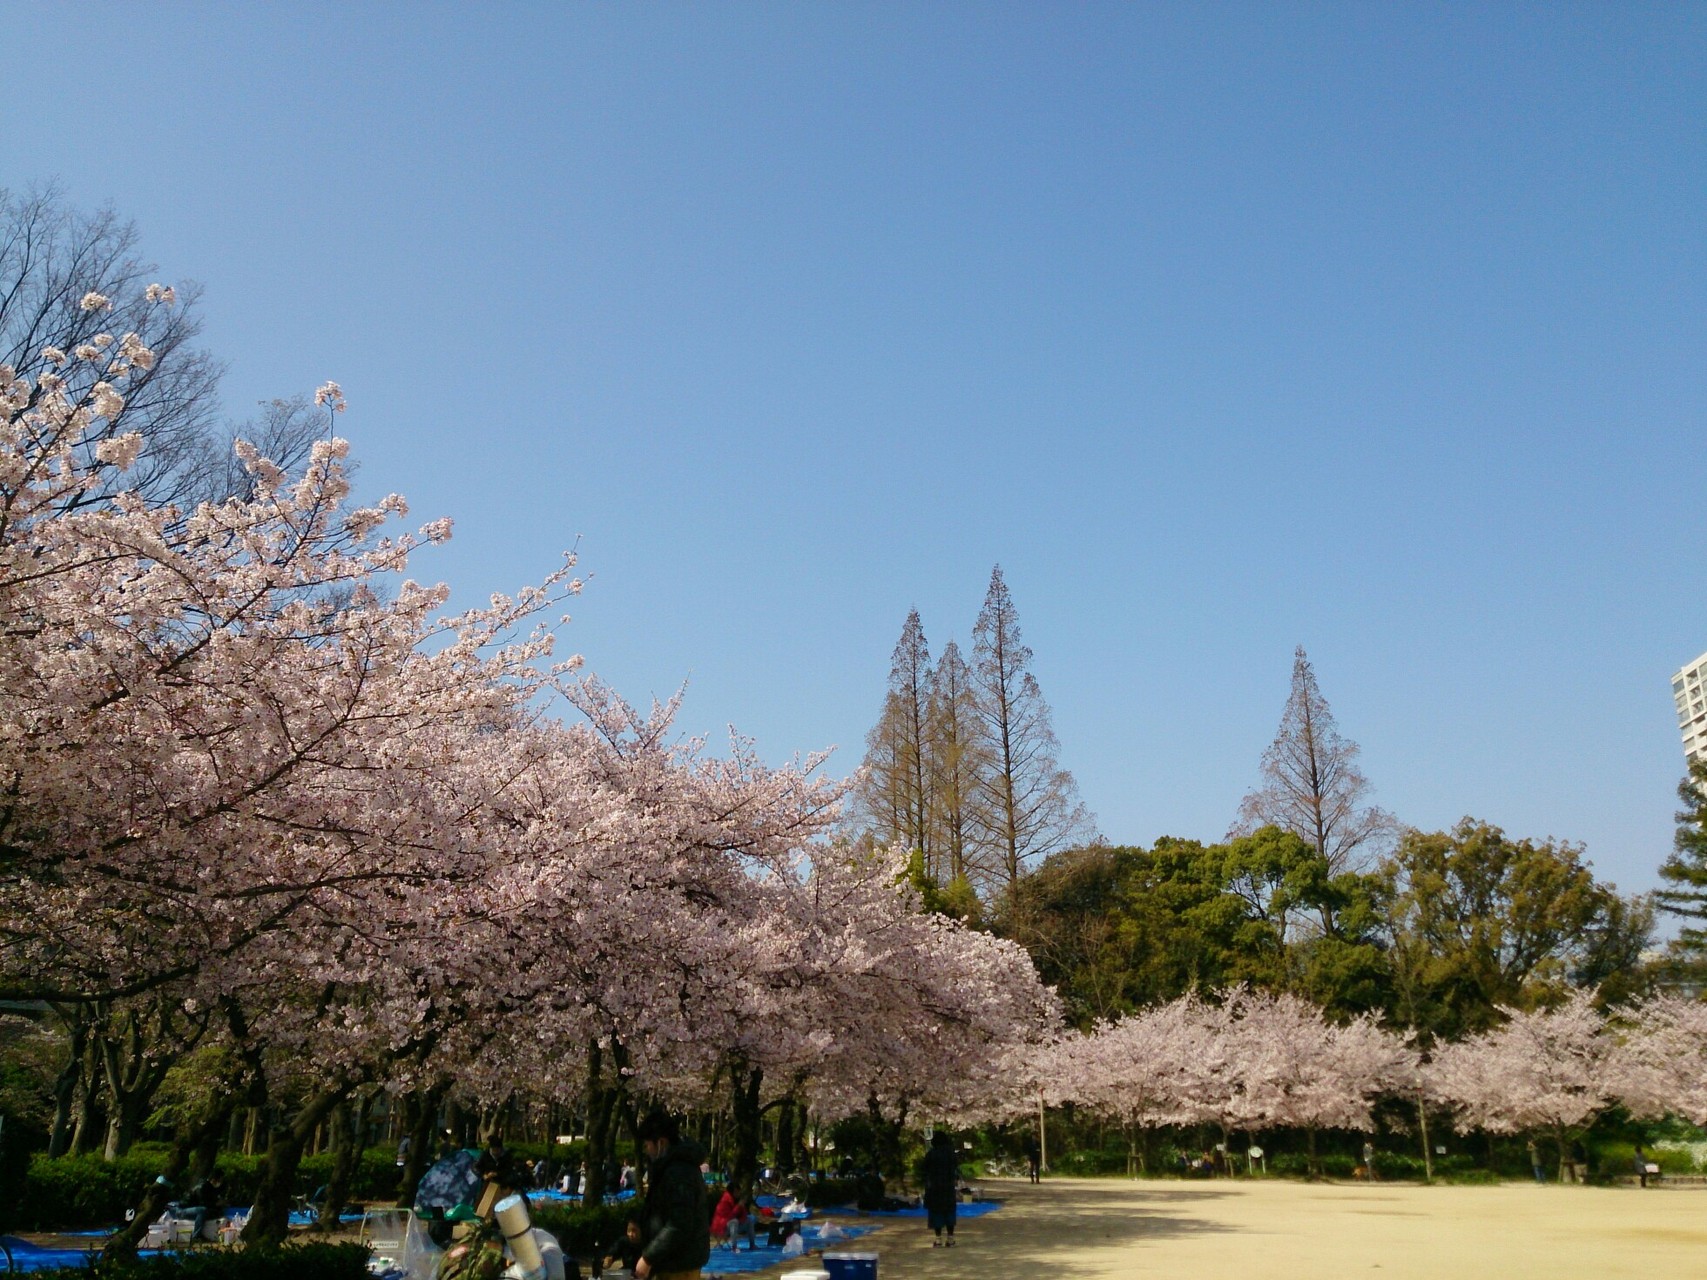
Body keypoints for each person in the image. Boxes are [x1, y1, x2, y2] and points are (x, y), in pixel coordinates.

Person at [634, 1108, 710, 1280]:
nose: (646, 1151)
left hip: (679, 1265)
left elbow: (679, 1223)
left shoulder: (678, 1173)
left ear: (661, 1142)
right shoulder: (673, 1168)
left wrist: (648, 1257)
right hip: (674, 1263)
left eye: (647, 1145)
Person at [921, 1130, 960, 1248]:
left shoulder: (931, 1154)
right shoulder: (951, 1154)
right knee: (949, 1212)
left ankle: (938, 1239)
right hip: (948, 1187)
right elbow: (955, 1169)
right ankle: (950, 1238)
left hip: (934, 1188)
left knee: (936, 1213)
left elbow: (925, 1170)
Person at [182, 1171, 225, 1241]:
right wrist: (216, 1204)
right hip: (185, 1209)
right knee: (202, 1210)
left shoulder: (210, 1188)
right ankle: (196, 1235)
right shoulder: (202, 1187)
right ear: (214, 1180)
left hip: (195, 1209)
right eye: (220, 1180)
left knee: (216, 1211)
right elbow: (203, 1203)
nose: (220, 1182)